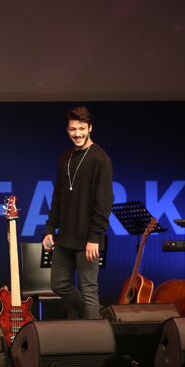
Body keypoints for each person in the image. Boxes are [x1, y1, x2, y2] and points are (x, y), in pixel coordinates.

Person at [42, 106, 113, 319]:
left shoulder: (100, 158)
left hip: (88, 239)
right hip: (65, 237)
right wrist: (49, 229)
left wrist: (94, 237)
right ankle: (97, 317)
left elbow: (104, 202)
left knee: (89, 289)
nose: (77, 134)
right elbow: (58, 197)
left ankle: (94, 333)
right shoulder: (65, 158)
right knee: (58, 284)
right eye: (73, 129)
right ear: (67, 130)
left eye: (82, 128)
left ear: (90, 128)